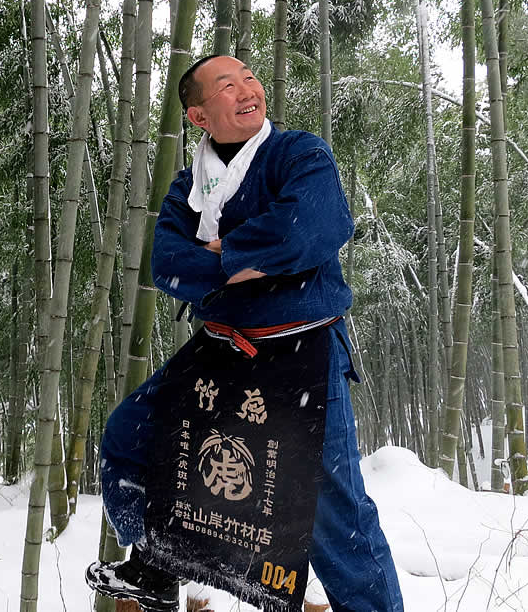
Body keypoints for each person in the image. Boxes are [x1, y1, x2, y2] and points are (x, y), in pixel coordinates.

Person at [86, 55, 404, 612]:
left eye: (250, 78)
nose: (248, 89)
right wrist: (258, 259)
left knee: (332, 516)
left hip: (301, 350)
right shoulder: (190, 185)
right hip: (220, 350)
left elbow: (318, 227)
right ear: (199, 115)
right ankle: (159, 562)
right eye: (227, 85)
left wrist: (222, 251)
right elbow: (167, 266)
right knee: (130, 438)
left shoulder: (298, 154)